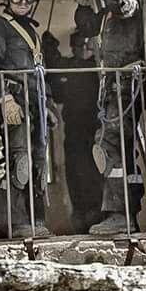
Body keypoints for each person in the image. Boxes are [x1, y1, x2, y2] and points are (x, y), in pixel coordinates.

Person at [0, 0, 55, 238]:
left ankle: (37, 221)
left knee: (38, 162)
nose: (24, 0)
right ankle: (19, 223)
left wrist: (47, 105)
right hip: (14, 102)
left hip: (35, 104)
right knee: (19, 161)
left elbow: (38, 74)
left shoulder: (31, 31)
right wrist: (5, 98)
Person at [76, 0, 146, 234]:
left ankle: (120, 214)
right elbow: (85, 25)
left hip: (125, 86)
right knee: (119, 151)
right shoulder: (107, 14)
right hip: (113, 88)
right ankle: (127, 213)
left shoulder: (129, 2)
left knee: (109, 146)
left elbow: (120, 4)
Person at [42, 30, 104, 234]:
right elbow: (58, 91)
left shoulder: (94, 66)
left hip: (94, 129)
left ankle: (96, 214)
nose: (81, 50)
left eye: (84, 46)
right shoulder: (73, 67)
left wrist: (50, 48)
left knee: (93, 172)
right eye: (77, 46)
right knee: (75, 174)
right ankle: (80, 216)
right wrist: (49, 47)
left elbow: (59, 65)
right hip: (74, 131)